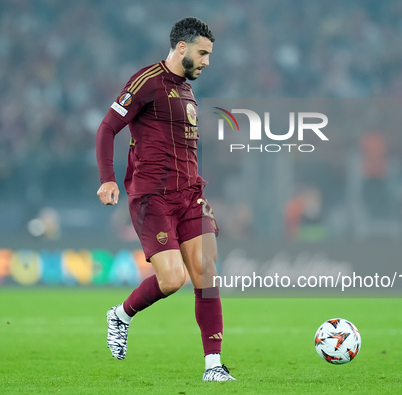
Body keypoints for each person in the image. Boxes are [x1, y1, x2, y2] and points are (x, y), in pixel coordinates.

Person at [95, 17, 235, 382]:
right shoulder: (146, 82)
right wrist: (107, 179)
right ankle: (121, 314)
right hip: (152, 197)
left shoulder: (187, 90)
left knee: (206, 273)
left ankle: (213, 366)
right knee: (172, 279)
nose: (206, 62)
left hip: (190, 194)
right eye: (203, 54)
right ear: (182, 48)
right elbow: (107, 127)